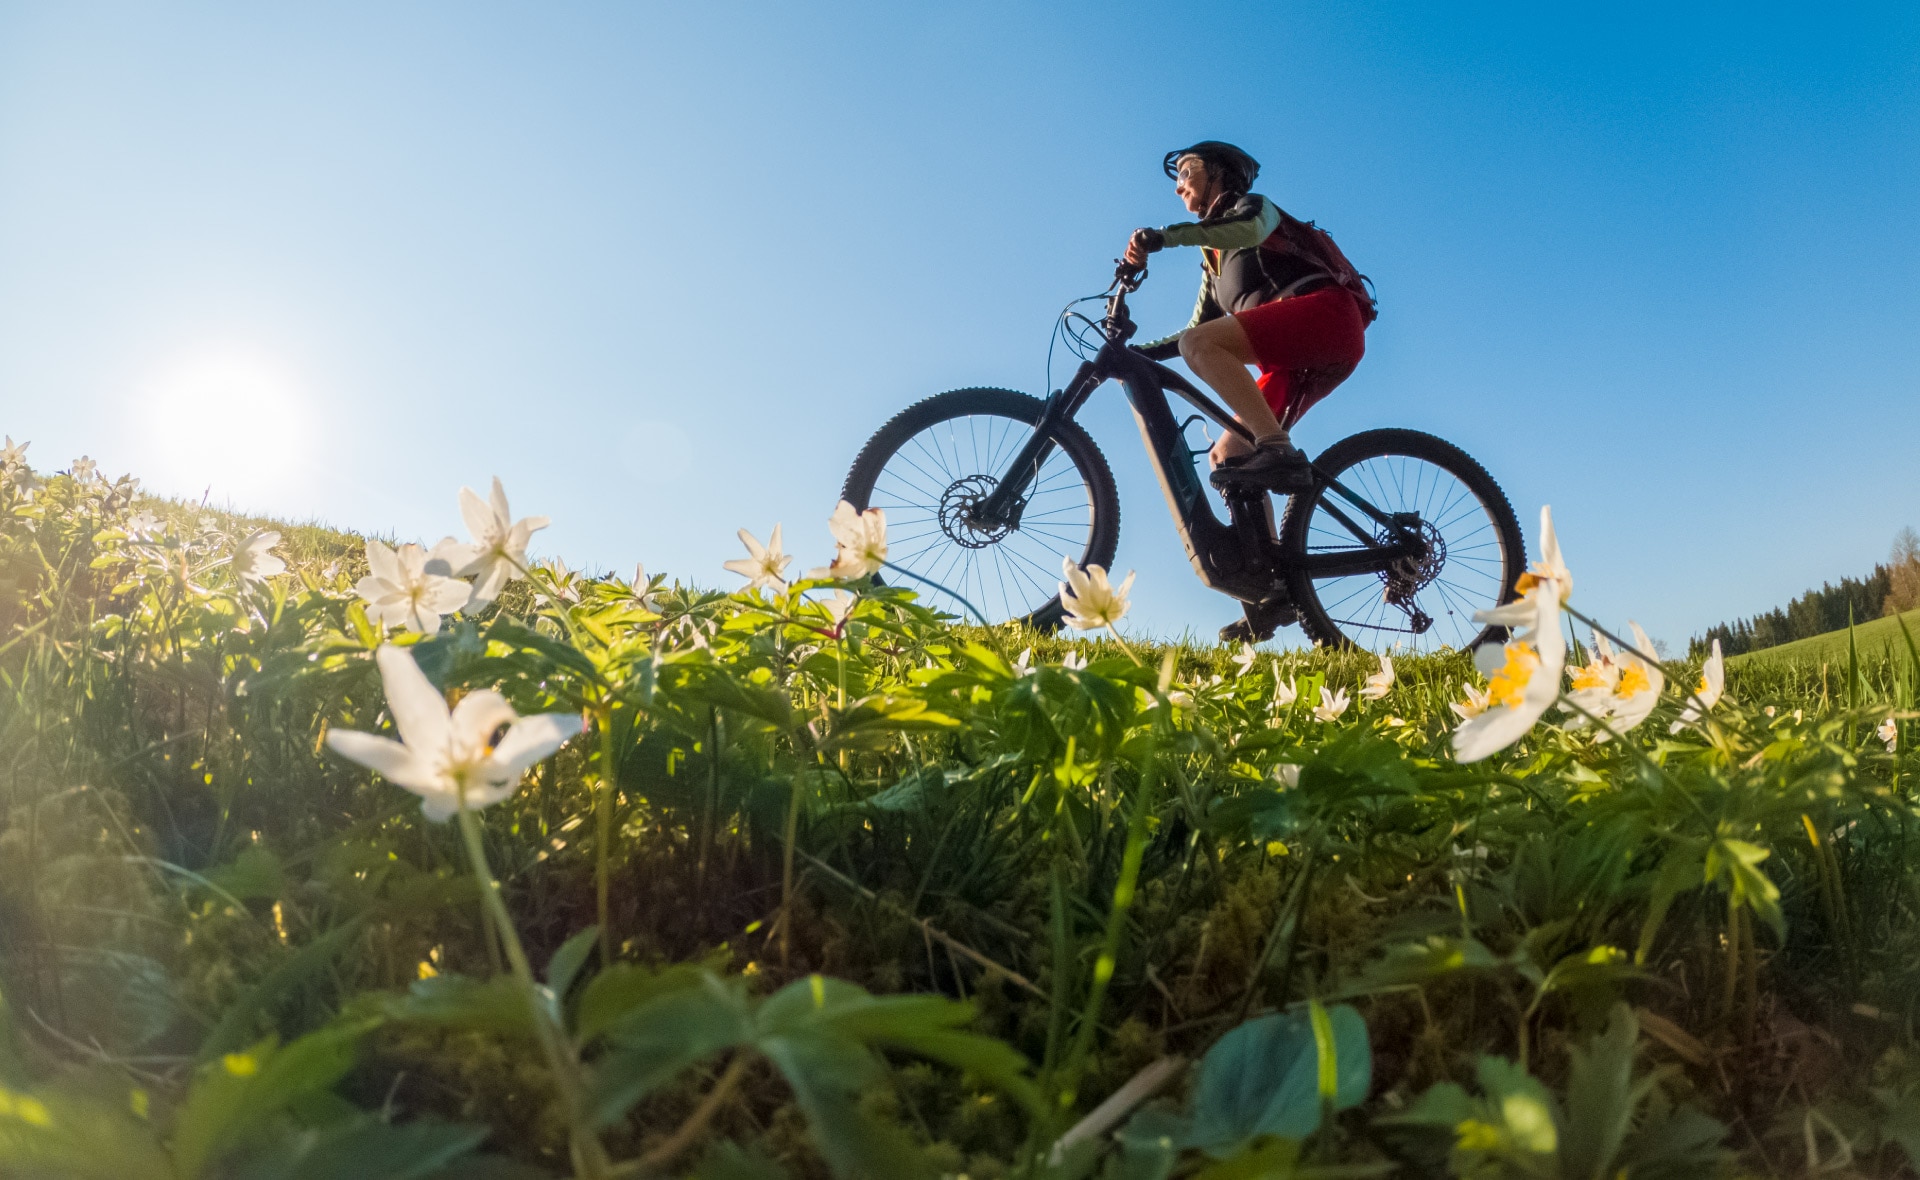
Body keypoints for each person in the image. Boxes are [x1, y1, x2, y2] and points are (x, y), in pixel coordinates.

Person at [1125, 141, 1370, 495]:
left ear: (1218, 173)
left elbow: (1250, 229)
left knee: (1201, 347)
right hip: (1293, 364)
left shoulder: (1254, 208)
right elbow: (1195, 330)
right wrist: (1136, 354)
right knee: (1228, 455)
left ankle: (1277, 449)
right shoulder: (1214, 261)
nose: (1178, 186)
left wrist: (1165, 237)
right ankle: (1265, 549)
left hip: (1329, 316)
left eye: (1186, 172)